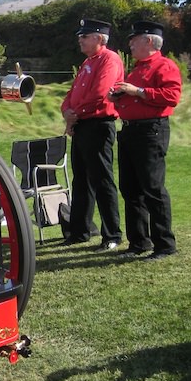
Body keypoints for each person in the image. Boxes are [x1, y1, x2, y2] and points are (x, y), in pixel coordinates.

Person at [110, 20, 182, 260]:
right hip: (130, 130)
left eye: (135, 39)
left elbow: (171, 96)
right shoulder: (138, 68)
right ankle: (139, 242)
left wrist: (137, 92)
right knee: (130, 188)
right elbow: (134, 99)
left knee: (152, 188)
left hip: (151, 131)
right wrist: (119, 97)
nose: (130, 43)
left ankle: (164, 244)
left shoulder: (164, 66)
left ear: (149, 41)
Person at [60, 18, 124, 250]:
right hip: (82, 125)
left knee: (102, 180)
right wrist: (66, 110)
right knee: (81, 180)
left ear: (99, 38)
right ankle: (79, 231)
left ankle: (112, 235)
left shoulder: (109, 59)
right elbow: (72, 92)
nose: (80, 39)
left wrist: (75, 113)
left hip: (98, 124)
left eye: (85, 36)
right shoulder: (89, 61)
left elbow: (100, 93)